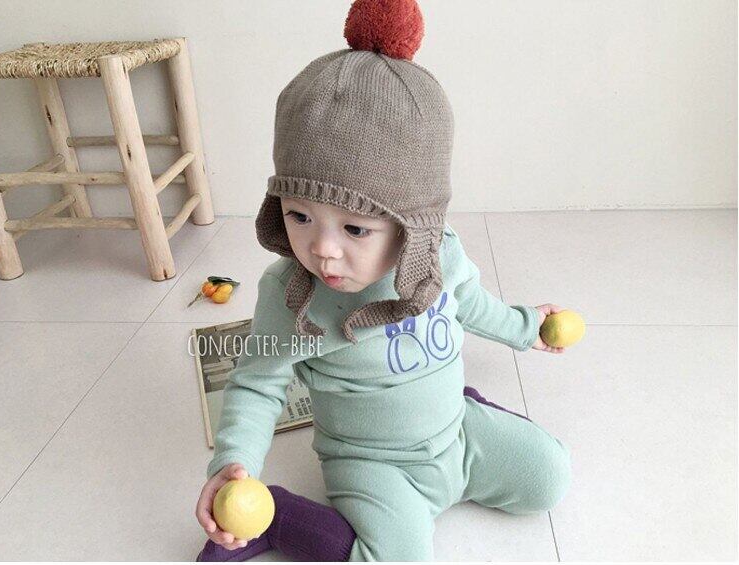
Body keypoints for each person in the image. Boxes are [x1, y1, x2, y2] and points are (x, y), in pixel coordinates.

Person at [196, 0, 571, 560]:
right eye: (299, 216)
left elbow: (470, 303)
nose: (322, 250)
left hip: (455, 434)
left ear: (413, 226)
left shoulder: (438, 253)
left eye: (355, 227)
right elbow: (257, 383)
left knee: (550, 477)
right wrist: (233, 464)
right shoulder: (292, 294)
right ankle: (283, 521)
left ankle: (470, 405)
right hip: (371, 464)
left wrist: (525, 328)